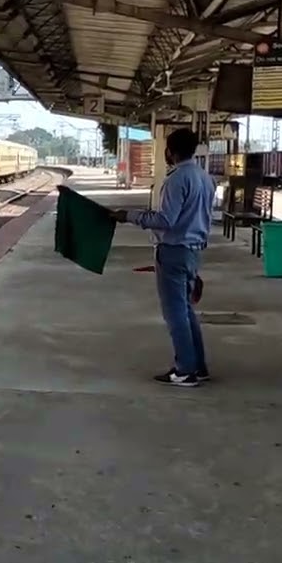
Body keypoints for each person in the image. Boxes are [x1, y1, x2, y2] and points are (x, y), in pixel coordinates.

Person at [111, 128, 215, 387]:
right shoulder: (205, 177)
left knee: (175, 313)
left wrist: (130, 216)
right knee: (187, 310)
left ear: (170, 151)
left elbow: (165, 220)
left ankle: (184, 371)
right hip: (193, 250)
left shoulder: (177, 179)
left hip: (173, 251)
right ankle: (198, 366)